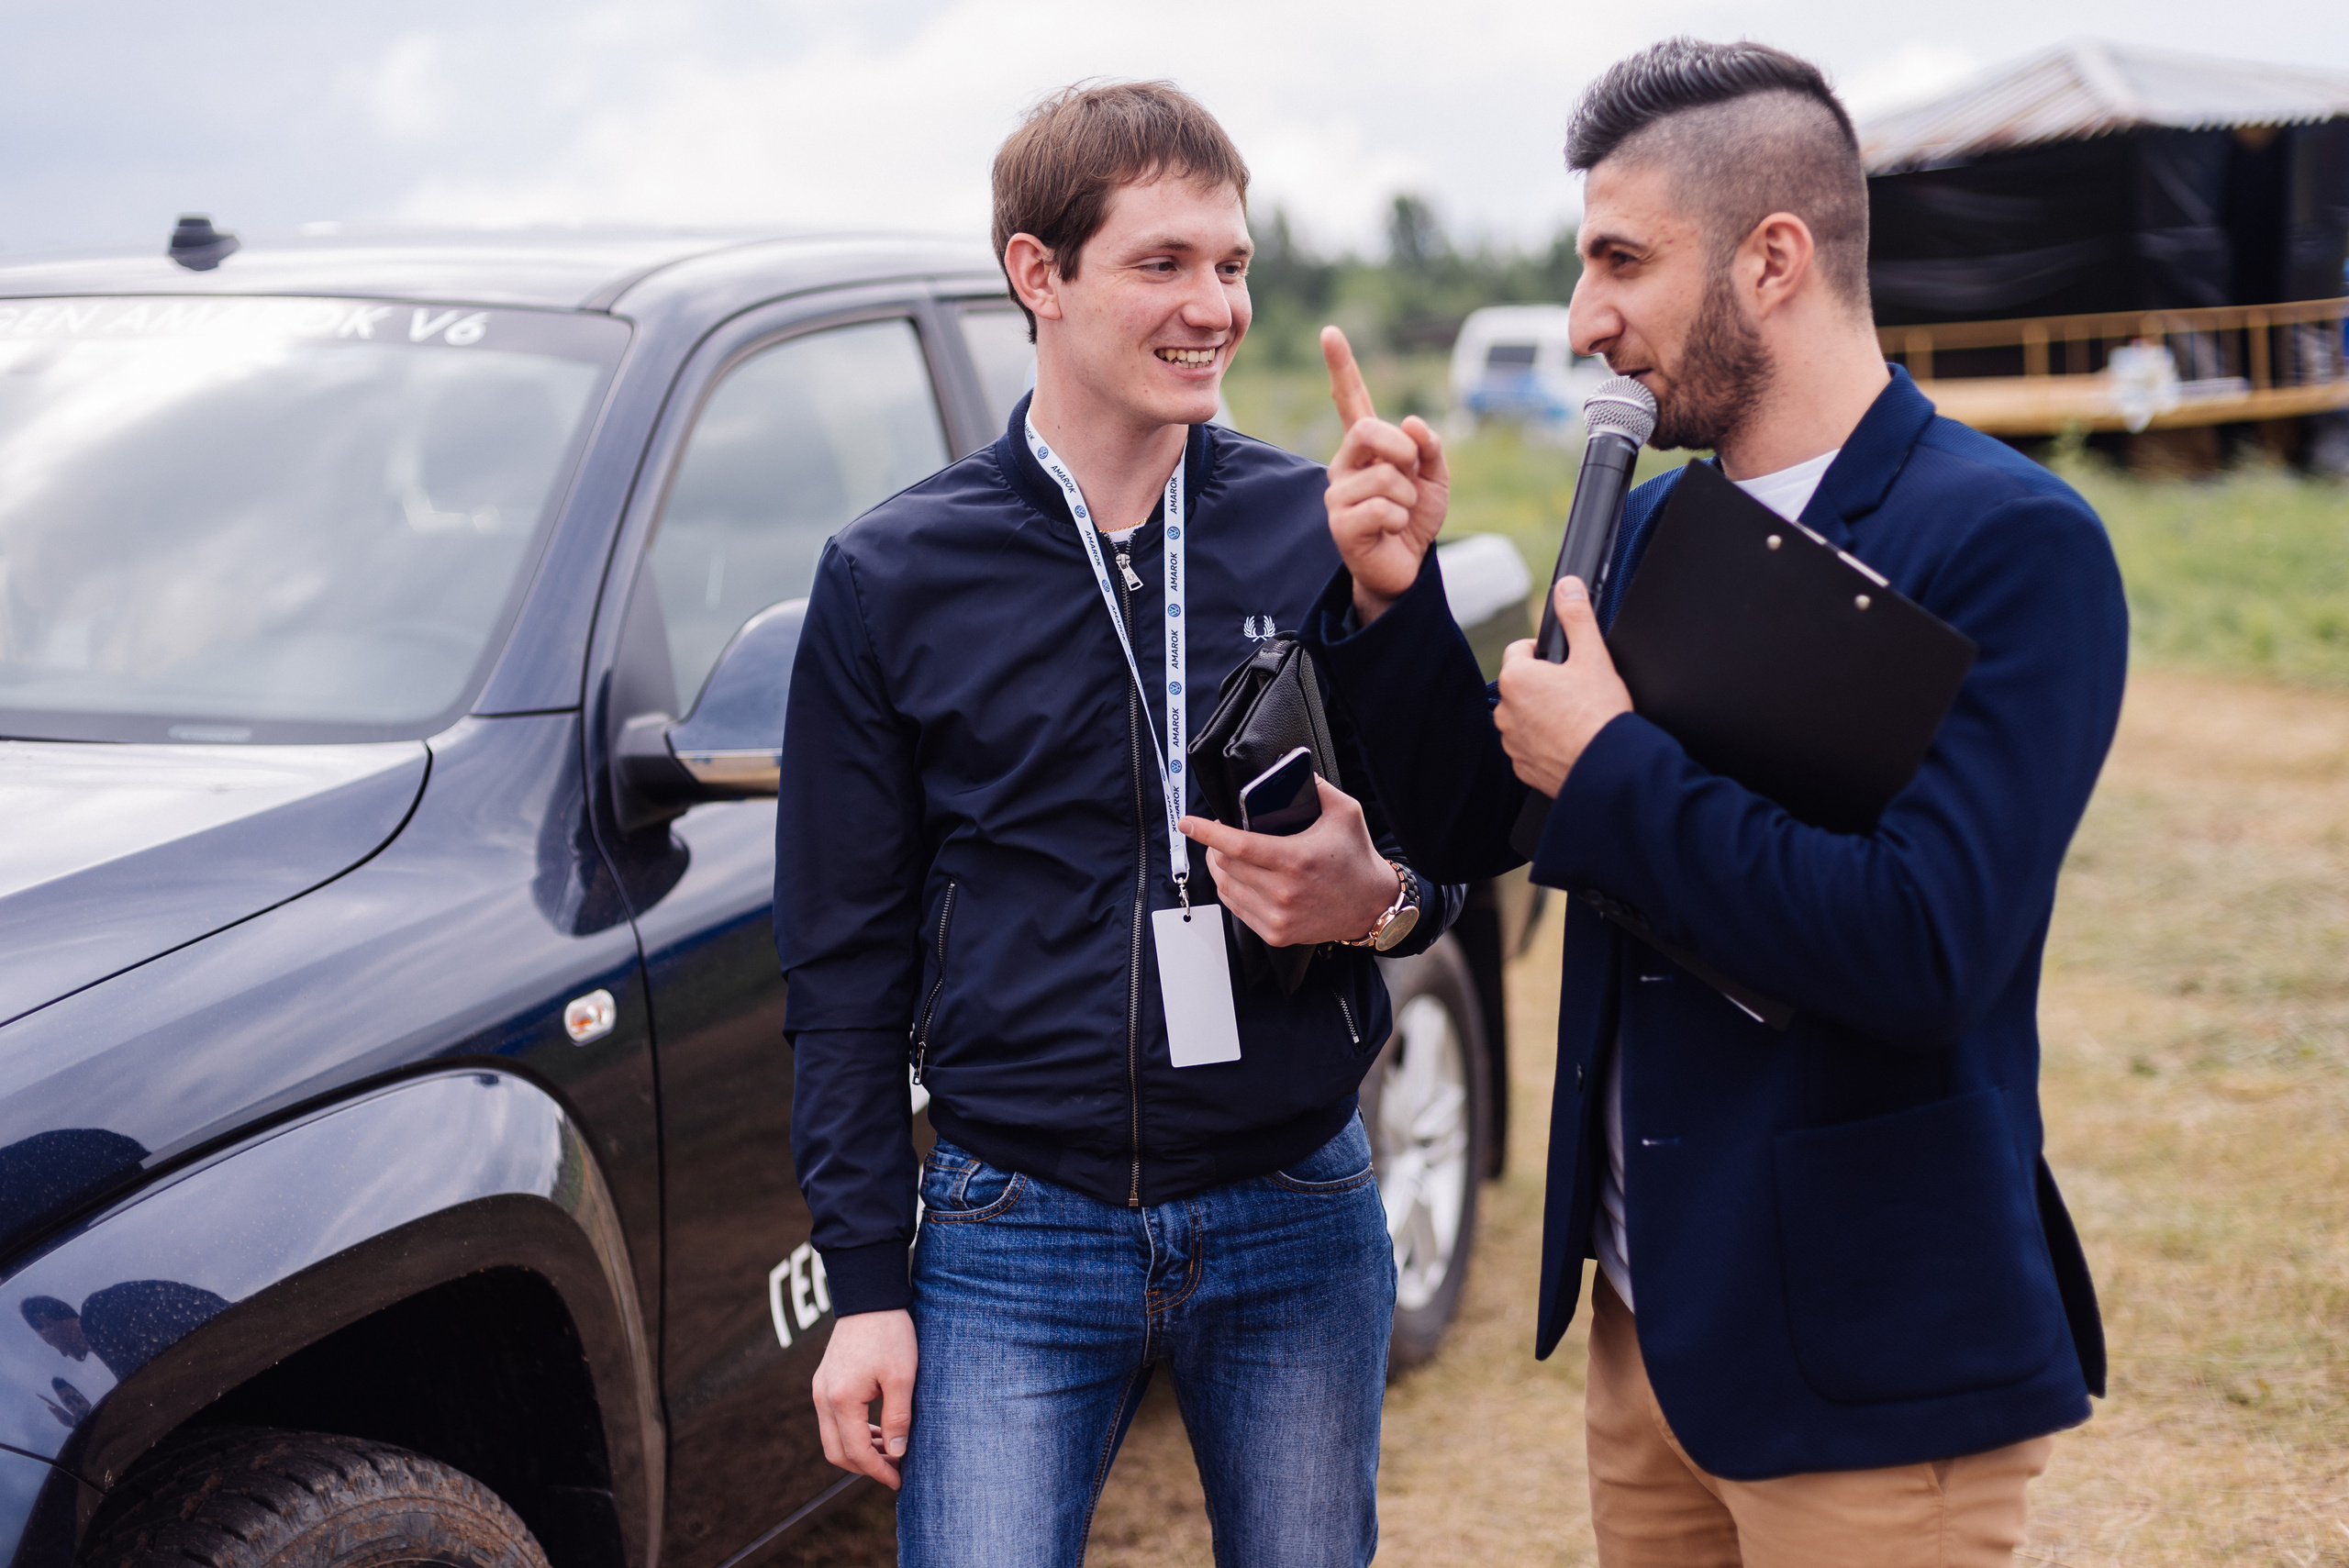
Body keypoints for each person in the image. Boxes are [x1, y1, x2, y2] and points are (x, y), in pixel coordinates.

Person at [1305, 38, 2126, 1568]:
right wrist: (1395, 601)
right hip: (1650, 1324)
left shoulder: (2016, 547)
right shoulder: (1657, 514)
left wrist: (1614, 761)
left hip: (1870, 1368)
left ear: (1773, 258)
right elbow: (1502, 821)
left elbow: (1925, 944)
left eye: (1622, 258)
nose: (1583, 317)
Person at [774, 80, 1461, 1567]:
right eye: (1163, 264)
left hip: (1296, 1199)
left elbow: (1452, 851)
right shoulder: (891, 577)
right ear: (1041, 276)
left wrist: (1383, 891)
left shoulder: (1321, 525)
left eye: (1233, 264)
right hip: (1013, 1221)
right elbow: (838, 970)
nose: (1213, 304)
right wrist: (865, 1283)